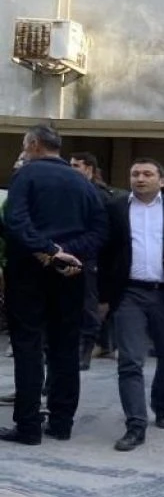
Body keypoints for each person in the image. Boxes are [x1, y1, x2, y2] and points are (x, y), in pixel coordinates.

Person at [0, 126, 107, 445]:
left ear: (33, 145)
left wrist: (49, 250)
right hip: (70, 275)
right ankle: (61, 423)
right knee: (64, 348)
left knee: (28, 347)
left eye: (24, 145)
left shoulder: (26, 176)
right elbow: (101, 230)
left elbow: (17, 222)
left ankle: (29, 426)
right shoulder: (84, 183)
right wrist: (70, 255)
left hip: (28, 273)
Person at [98, 160, 164, 452]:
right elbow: (105, 254)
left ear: (162, 180)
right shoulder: (116, 208)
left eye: (147, 174)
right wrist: (104, 298)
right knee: (130, 360)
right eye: (135, 174)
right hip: (129, 293)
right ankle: (135, 425)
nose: (140, 178)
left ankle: (162, 404)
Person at [69, 152, 117, 369]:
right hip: (72, 255)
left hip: (92, 258)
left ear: (89, 169)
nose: (72, 169)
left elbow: (105, 231)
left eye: (76, 165)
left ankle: (85, 351)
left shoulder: (100, 195)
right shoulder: (71, 191)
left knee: (90, 306)